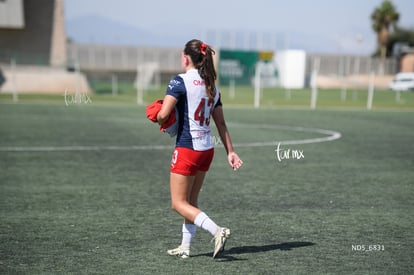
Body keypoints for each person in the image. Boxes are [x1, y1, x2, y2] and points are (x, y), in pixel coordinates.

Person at [156, 39, 243, 259]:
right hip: (207, 149)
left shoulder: (180, 81)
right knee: (191, 202)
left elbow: (163, 115)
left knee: (178, 203)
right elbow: (221, 124)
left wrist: (157, 116)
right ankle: (185, 247)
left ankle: (217, 231)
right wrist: (231, 152)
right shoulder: (212, 85)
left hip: (187, 148)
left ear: (186, 58)